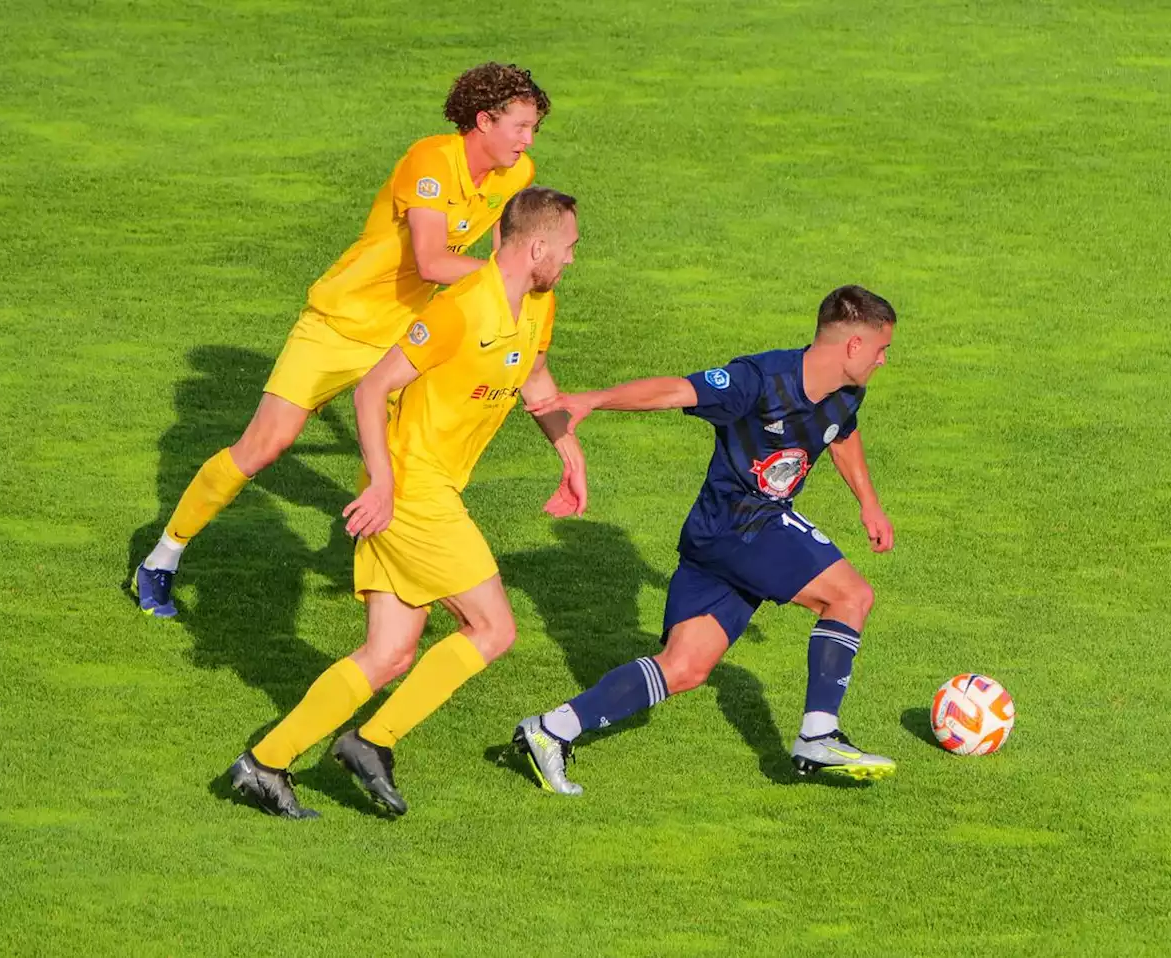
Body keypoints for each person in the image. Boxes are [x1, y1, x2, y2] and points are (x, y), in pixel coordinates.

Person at [133, 63, 549, 617]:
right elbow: (430, 260)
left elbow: (501, 257)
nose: (527, 141)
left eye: (533, 129)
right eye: (520, 126)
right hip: (339, 322)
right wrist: (503, 281)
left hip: (408, 332)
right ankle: (162, 558)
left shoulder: (515, 176)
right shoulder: (430, 161)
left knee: (409, 456)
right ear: (483, 121)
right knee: (266, 445)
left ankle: (398, 580)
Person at [229, 187, 585, 818]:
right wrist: (383, 483)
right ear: (537, 246)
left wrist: (567, 448)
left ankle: (264, 763)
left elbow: (533, 374)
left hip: (426, 490)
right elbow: (372, 389)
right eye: (569, 247)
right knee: (494, 628)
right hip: (414, 492)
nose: (573, 260)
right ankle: (372, 741)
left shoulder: (538, 302)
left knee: (389, 654)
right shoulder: (458, 312)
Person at [514, 285, 899, 794]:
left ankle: (550, 729)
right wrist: (593, 400)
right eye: (881, 349)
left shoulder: (847, 392)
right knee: (851, 595)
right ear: (853, 346)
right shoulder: (759, 380)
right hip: (742, 524)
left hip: (719, 538)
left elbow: (841, 433)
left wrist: (867, 501)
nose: (884, 361)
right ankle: (818, 735)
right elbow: (676, 390)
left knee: (685, 666)